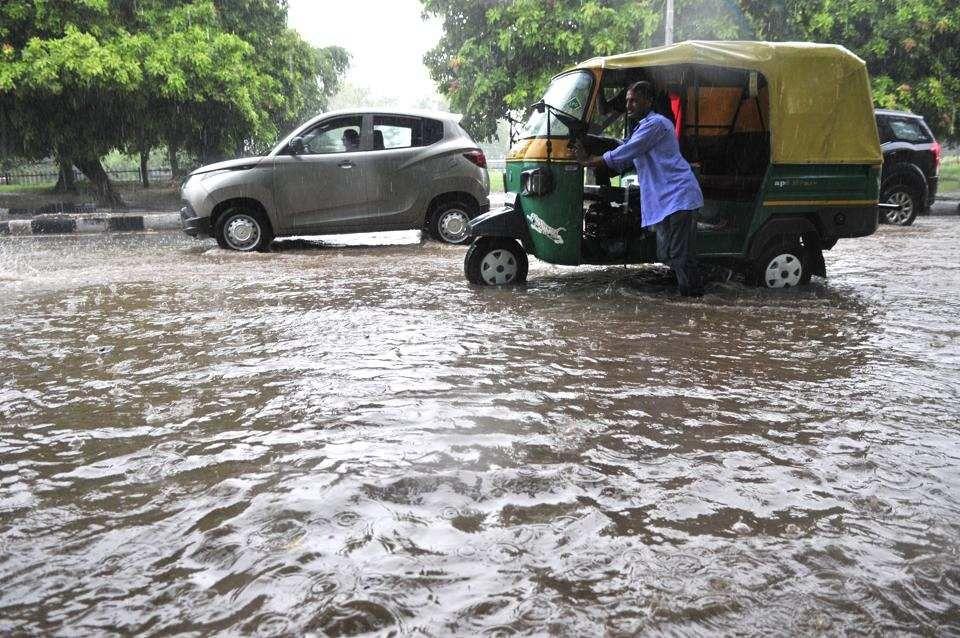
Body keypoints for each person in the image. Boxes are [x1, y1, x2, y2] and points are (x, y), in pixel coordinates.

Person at [574, 81, 705, 297]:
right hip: (666, 199)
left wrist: (588, 161)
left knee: (679, 255)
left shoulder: (656, 124)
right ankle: (692, 294)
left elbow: (625, 152)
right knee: (666, 254)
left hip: (679, 195)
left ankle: (693, 302)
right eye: (627, 101)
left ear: (648, 101)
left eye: (634, 100)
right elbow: (623, 146)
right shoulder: (644, 127)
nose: (629, 105)